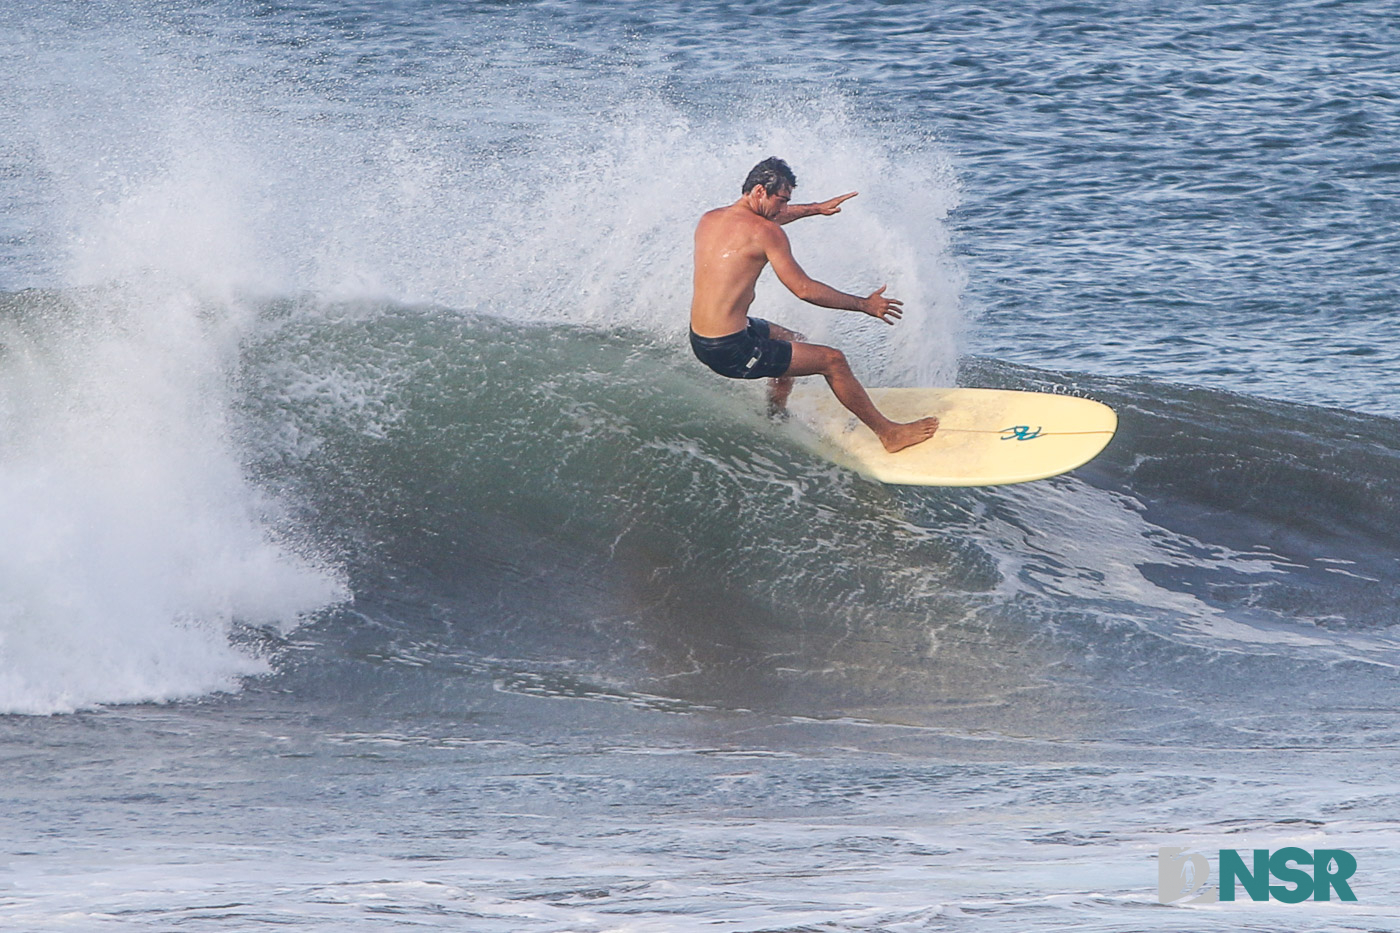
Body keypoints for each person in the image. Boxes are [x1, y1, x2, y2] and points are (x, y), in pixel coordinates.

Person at [689, 157, 939, 453]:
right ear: (759, 191)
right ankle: (889, 435)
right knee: (833, 361)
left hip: (704, 338)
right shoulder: (767, 232)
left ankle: (775, 414)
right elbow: (804, 289)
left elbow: (771, 218)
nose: (783, 210)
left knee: (793, 341)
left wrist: (817, 209)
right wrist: (864, 305)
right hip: (731, 350)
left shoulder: (712, 218)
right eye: (781, 201)